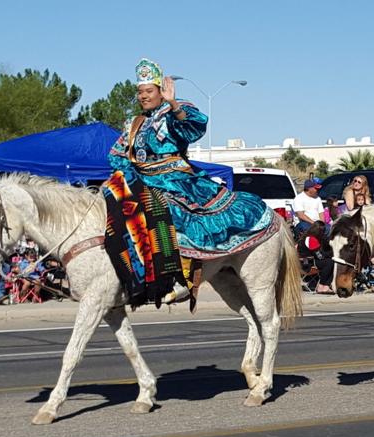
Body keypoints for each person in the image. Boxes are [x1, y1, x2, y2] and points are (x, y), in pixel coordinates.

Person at [103, 58, 274, 306]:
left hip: (175, 179)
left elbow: (193, 127)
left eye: (149, 91)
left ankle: (180, 277)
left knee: (167, 211)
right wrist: (127, 173)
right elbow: (117, 154)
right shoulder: (135, 123)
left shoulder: (175, 110)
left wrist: (173, 104)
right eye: (140, 92)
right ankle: (134, 275)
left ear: (161, 91)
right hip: (142, 179)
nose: (143, 96)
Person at [297, 221, 334, 294]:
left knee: (332, 262)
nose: (324, 233)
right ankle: (321, 285)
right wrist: (331, 254)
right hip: (307, 264)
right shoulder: (311, 239)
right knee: (330, 263)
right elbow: (319, 256)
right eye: (323, 231)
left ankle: (325, 287)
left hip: (308, 261)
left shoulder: (307, 237)